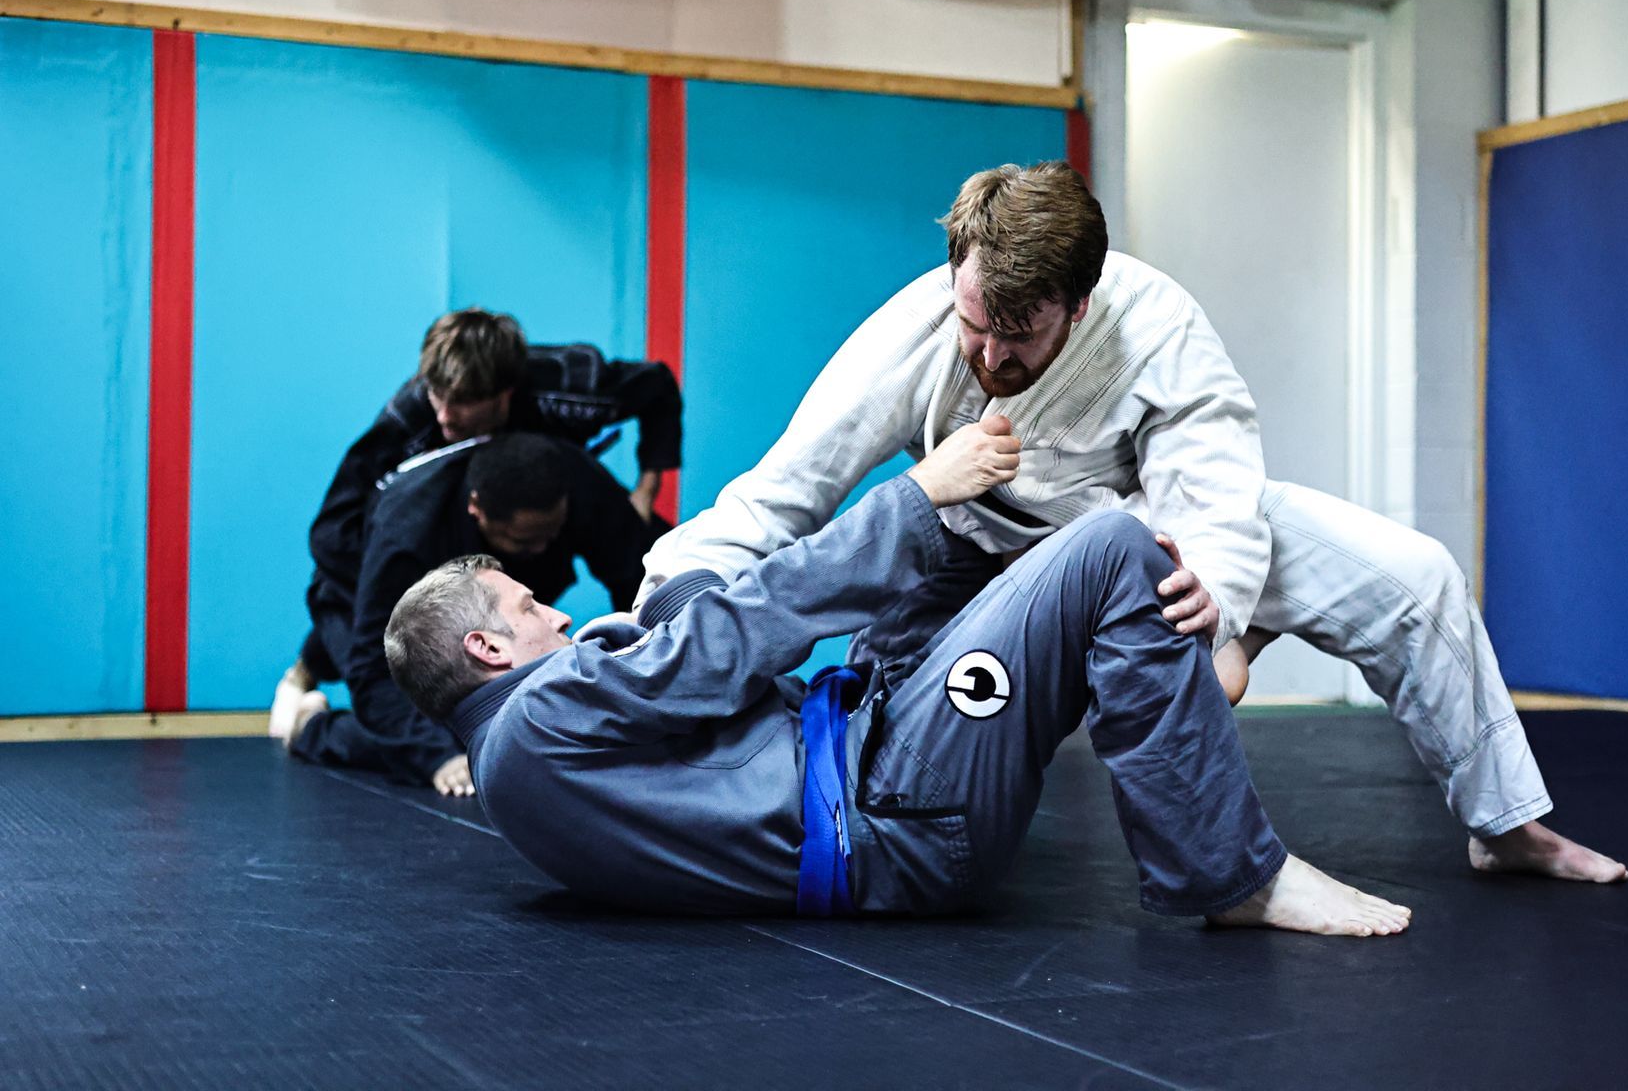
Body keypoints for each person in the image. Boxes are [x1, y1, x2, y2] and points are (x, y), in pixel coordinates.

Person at [639, 162, 1627, 884]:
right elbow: (783, 491)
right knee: (901, 732)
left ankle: (1507, 825)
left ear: (1078, 304)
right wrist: (668, 609)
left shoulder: (1159, 329)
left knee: (1415, 575)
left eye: (1016, 336)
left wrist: (1220, 602)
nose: (987, 353)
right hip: (983, 557)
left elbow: (1219, 486)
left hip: (1157, 528)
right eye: (975, 320)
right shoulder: (918, 332)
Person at [385, 418, 1415, 935]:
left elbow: (688, 681)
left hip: (877, 774)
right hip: (905, 809)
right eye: (528, 608)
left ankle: (1149, 651)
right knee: (1109, 546)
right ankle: (1231, 871)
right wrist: (911, 489)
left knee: (964, 543)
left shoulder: (518, 772)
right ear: (485, 648)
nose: (552, 610)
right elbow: (738, 635)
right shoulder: (544, 714)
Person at [292, 308, 682, 705]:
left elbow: (657, 387)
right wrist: (389, 597)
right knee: (366, 617)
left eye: (461, 402)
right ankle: (307, 668)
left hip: (531, 525)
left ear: (505, 393)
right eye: (436, 394)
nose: (444, 414)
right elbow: (332, 531)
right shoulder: (409, 418)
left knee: (647, 548)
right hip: (436, 546)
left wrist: (646, 492)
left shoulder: (566, 383)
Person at [274, 432, 661, 795]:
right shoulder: (406, 535)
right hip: (350, 590)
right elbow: (373, 669)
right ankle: (312, 725)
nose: (543, 548)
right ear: (478, 511)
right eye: (526, 540)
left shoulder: (581, 487)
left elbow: (639, 579)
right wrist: (437, 757)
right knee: (456, 736)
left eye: (552, 534)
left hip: (489, 581)